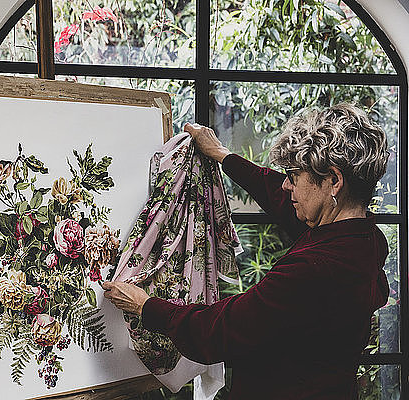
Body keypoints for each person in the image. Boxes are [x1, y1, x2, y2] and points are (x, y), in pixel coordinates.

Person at [102, 103, 391, 399]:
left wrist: (145, 306)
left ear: (333, 180)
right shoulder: (365, 239)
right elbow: (280, 197)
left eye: (293, 175)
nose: (287, 186)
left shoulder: (313, 268)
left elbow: (217, 332)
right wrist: (223, 156)